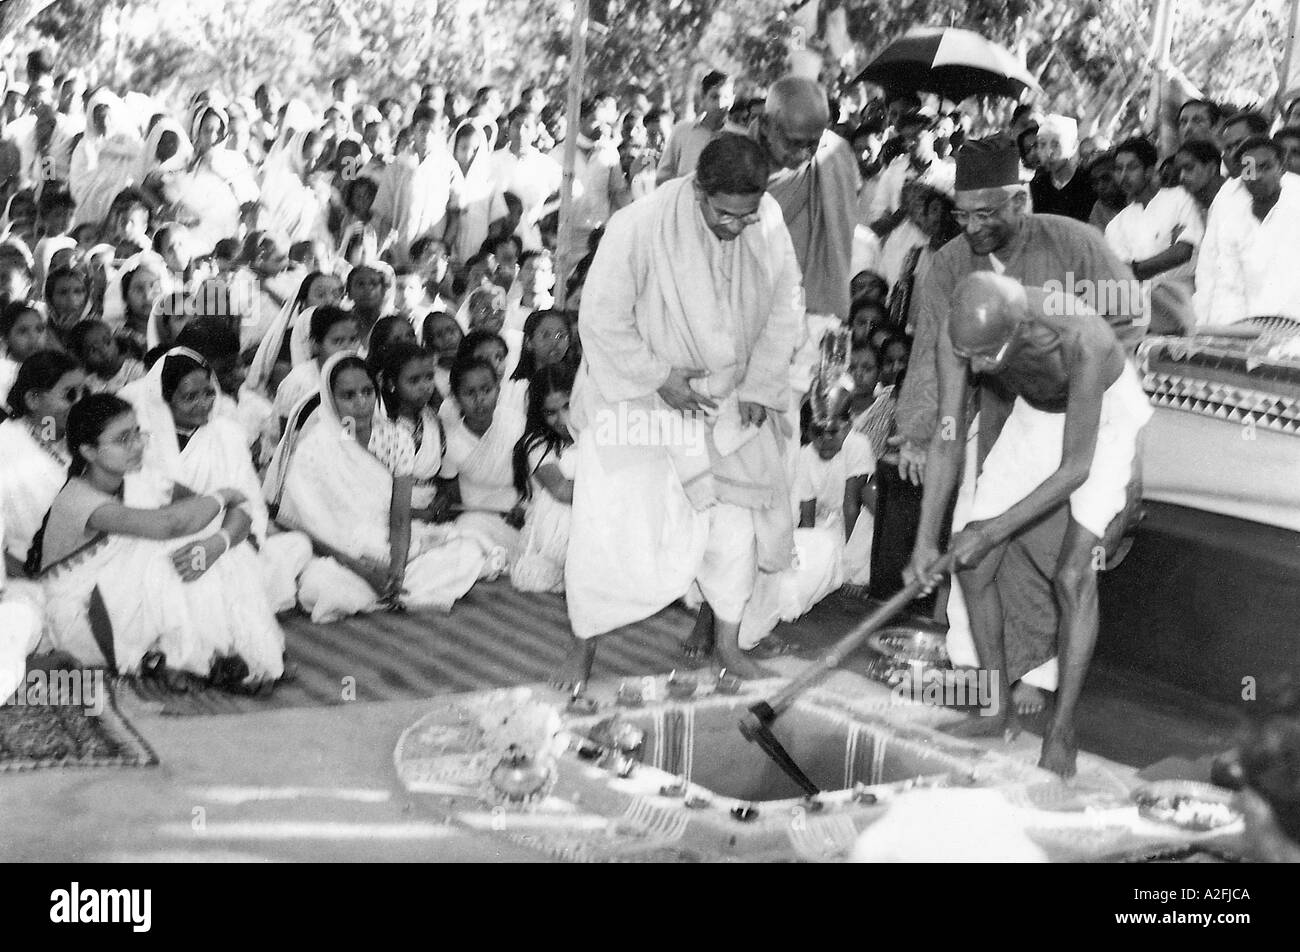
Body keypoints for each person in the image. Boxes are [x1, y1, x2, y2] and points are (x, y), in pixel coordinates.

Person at [891, 136, 1140, 709]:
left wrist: (1082, 384)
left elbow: (1130, 319)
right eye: (961, 215)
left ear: (1020, 203)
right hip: (1010, 408)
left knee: (1060, 564)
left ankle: (1046, 692)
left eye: (986, 214)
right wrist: (926, 536)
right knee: (971, 550)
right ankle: (990, 694)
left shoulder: (1075, 242)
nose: (972, 228)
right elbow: (941, 376)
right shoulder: (951, 267)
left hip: (1089, 403)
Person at [560, 134, 802, 687]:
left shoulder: (765, 221)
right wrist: (659, 377)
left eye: (746, 216)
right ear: (698, 189)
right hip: (641, 402)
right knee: (613, 528)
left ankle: (728, 645)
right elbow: (600, 318)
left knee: (732, 527)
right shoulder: (638, 225)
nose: (736, 227)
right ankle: (583, 650)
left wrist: (763, 383)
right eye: (724, 215)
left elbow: (789, 302)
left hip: (728, 400)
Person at [905, 272, 1153, 778]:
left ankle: (1063, 728)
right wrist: (925, 541)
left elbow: (1074, 469)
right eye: (964, 355)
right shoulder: (966, 332)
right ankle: (996, 708)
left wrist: (991, 529)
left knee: (1071, 576)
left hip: (1102, 424)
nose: (971, 367)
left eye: (983, 359)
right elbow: (950, 434)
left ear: (1020, 331)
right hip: (1035, 417)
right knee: (973, 568)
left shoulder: (1084, 339)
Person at [33, 393, 285, 690]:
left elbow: (241, 514)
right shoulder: (77, 499)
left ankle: (231, 656)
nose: (138, 445)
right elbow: (168, 525)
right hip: (88, 615)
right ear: (88, 451)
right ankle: (202, 659)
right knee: (170, 552)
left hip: (130, 599)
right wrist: (224, 494)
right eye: (123, 439)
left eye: (138, 433)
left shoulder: (142, 481)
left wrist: (220, 541)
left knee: (212, 549)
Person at [264, 352, 500, 623]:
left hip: (389, 538)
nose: (361, 403)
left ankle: (397, 584)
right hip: (341, 552)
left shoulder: (395, 437)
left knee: (467, 550)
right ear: (331, 400)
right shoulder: (315, 448)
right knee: (322, 586)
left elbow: (400, 517)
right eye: (348, 395)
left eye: (366, 392)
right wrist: (361, 568)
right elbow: (305, 528)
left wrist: (396, 569)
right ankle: (393, 587)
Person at [1195, 134, 1300, 327]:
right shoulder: (1230, 211)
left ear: (1282, 167)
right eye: (1249, 169)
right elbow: (1226, 284)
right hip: (1249, 331)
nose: (1256, 176)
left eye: (1265, 167)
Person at [1104, 136, 1202, 334]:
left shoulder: (1180, 198)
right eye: (1118, 169)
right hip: (1142, 319)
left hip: (1187, 307)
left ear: (1149, 171)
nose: (1123, 175)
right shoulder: (1116, 225)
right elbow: (1121, 276)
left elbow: (1183, 252)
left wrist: (1137, 268)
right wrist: (1164, 258)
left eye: (1132, 167)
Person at [435, 355, 526, 556]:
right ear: (456, 398)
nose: (480, 400)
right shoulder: (451, 442)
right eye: (470, 393)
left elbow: (536, 479)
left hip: (522, 515)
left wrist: (526, 507)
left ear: (498, 389)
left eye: (487, 390)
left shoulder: (518, 425)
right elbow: (451, 492)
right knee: (464, 539)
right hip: (477, 519)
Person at [509, 364, 576, 593]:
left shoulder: (596, 431)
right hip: (553, 527)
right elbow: (562, 490)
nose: (562, 419)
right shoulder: (536, 443)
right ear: (539, 413)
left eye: (568, 406)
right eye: (551, 412)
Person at [271, 305, 359, 435]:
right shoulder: (299, 382)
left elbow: (350, 431)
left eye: (353, 340)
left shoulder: (360, 377)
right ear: (315, 345)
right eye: (338, 341)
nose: (348, 348)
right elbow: (286, 438)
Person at [655, 71, 734, 184]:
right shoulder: (682, 132)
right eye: (714, 97)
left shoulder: (739, 137)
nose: (720, 104)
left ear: (732, 100)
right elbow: (662, 178)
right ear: (703, 98)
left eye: (726, 97)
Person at [1028, 115, 1096, 222]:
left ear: (1073, 146)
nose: (1048, 152)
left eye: (1056, 145)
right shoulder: (1036, 186)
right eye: (1042, 144)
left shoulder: (1089, 187)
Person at [67, 318, 146, 394]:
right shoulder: (90, 385)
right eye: (93, 350)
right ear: (83, 358)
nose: (103, 351)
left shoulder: (133, 369)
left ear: (115, 340)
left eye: (107, 342)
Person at [0, 299, 48, 406]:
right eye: (23, 331)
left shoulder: (45, 365)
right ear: (5, 339)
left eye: (39, 329)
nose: (34, 337)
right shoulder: (4, 375)